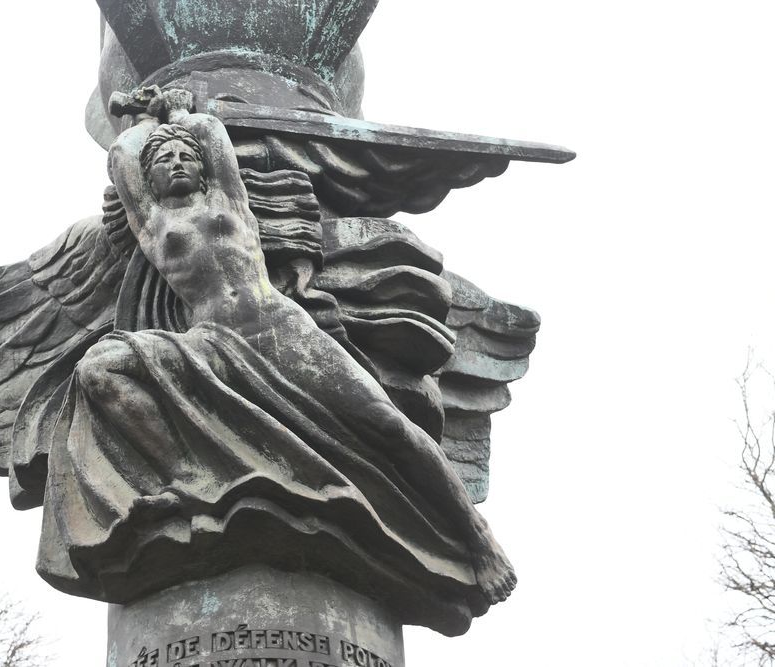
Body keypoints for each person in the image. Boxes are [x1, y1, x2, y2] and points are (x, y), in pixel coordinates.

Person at [69, 87, 516, 606]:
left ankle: (478, 538)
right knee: (99, 369)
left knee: (388, 426)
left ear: (204, 168)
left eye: (183, 155)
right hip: (211, 340)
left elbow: (211, 135)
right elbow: (124, 153)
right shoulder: (152, 223)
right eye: (163, 159)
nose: (175, 162)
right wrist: (146, 118)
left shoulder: (228, 201)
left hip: (279, 329)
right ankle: (189, 477)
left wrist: (178, 111)